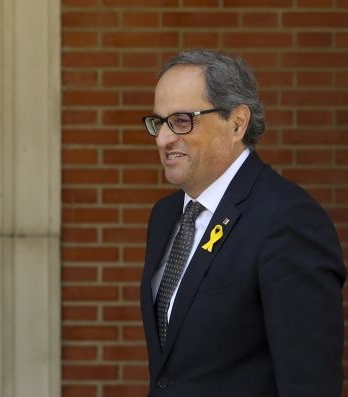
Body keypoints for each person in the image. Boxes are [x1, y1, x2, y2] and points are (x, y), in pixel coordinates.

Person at [140, 49, 345, 396]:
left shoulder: (286, 218)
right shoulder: (165, 216)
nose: (163, 139)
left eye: (181, 120)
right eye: (159, 122)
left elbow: (309, 383)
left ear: (237, 123)